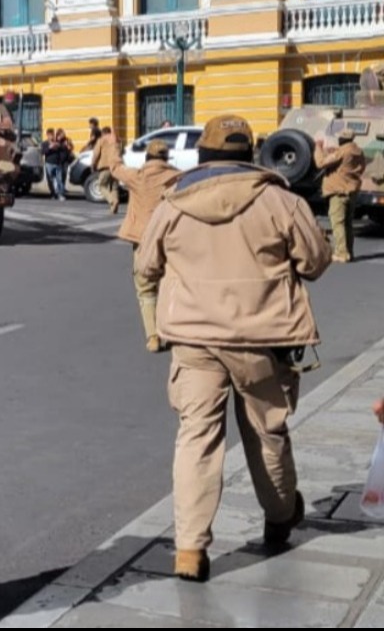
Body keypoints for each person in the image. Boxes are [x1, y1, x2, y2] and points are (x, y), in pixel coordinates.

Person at [136, 114, 332, 583]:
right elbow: (316, 261)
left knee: (197, 437)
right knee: (268, 433)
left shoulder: (174, 203)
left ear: (203, 155)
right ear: (250, 154)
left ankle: (189, 549)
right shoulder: (279, 200)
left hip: (194, 341)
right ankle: (281, 517)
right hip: (262, 339)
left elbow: (146, 264)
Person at [111, 139, 180, 352]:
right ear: (166, 158)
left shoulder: (137, 177)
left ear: (147, 158)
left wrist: (114, 146)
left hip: (143, 240)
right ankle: (172, 331)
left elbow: (114, 167)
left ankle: (153, 337)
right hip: (171, 240)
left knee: (145, 288)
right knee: (170, 285)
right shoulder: (178, 178)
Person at [315, 128, 364, 263]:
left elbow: (320, 163)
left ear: (342, 139)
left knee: (338, 223)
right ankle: (349, 252)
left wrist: (318, 147)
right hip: (352, 190)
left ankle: (341, 253)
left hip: (339, 191)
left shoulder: (343, 151)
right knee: (348, 223)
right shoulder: (358, 151)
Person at [92, 126, 123, 214]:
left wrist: (93, 164)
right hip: (116, 166)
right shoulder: (118, 140)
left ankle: (112, 200)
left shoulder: (101, 140)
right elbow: (122, 152)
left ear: (103, 133)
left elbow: (96, 154)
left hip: (105, 167)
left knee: (102, 186)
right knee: (114, 187)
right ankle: (114, 208)